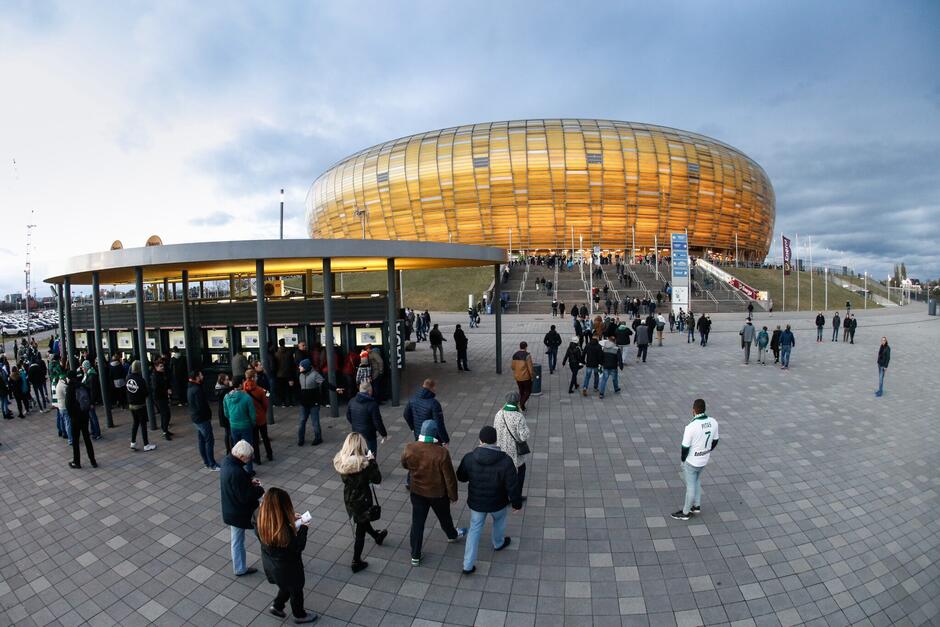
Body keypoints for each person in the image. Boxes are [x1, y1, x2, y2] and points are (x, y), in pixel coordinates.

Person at [457, 426, 521, 574]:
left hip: (477, 503)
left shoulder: (469, 458)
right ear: (495, 441)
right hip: (498, 503)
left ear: (481, 440)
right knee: (499, 521)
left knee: (474, 529)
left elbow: (461, 477)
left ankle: (467, 565)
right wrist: (516, 504)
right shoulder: (506, 461)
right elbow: (512, 485)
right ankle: (498, 543)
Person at [401, 420, 466, 566]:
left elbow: (404, 464)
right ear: (435, 434)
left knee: (417, 523)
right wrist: (453, 495)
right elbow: (449, 477)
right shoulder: (441, 452)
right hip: (438, 494)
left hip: (417, 492)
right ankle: (452, 535)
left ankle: (415, 555)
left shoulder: (410, 448)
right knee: (445, 518)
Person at [253, 488, 317, 623]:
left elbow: (273, 520)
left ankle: (277, 606)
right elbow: (298, 547)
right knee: (296, 590)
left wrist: (290, 517)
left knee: (285, 586)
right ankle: (299, 615)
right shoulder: (284, 531)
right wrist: (304, 528)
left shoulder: (258, 515)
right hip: (288, 567)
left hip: (270, 564)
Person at [334, 433, 388, 572]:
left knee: (362, 521)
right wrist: (372, 462)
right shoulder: (364, 464)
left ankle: (377, 536)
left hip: (350, 498)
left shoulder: (342, 461)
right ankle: (356, 561)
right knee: (360, 530)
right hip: (363, 500)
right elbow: (377, 479)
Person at [220, 440, 264, 577]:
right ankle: (275, 560)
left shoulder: (226, 462)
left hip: (231, 511)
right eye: (248, 457)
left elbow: (236, 485)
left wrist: (249, 482)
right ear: (241, 456)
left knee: (236, 541)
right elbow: (245, 496)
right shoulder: (236, 471)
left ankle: (239, 568)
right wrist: (259, 490)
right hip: (242, 513)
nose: (249, 459)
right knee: (263, 535)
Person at [671, 398, 719, 521]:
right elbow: (715, 441)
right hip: (704, 459)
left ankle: (686, 512)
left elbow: (685, 447)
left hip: (692, 461)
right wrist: (707, 451)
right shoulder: (713, 422)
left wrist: (683, 460)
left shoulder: (691, 427)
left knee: (690, 486)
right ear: (704, 409)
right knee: (696, 480)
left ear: (693, 410)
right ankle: (696, 505)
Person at [493, 392, 530, 504]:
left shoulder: (499, 413)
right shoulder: (518, 416)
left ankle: (504, 497)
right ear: (517, 402)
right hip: (515, 453)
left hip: (501, 451)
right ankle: (516, 497)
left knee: (504, 475)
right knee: (519, 473)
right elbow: (524, 436)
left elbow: (495, 430)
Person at [297, 358, 342, 446]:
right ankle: (301, 439)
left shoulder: (315, 375)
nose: (299, 367)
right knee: (302, 421)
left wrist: (335, 389)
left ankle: (318, 438)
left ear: (305, 367)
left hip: (314, 403)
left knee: (315, 422)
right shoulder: (300, 375)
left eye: (301, 366)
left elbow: (325, 384)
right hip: (304, 403)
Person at [224, 375, 257, 475]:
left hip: (234, 426)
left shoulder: (226, 397)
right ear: (240, 384)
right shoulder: (246, 397)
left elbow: (226, 413)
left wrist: (232, 420)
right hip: (246, 426)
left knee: (237, 449)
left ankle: (239, 469)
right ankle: (249, 470)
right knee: (247, 449)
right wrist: (252, 423)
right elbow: (252, 414)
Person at [188, 370, 219, 471]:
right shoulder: (197, 389)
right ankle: (212, 464)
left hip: (196, 418)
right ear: (197, 377)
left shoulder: (191, 388)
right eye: (201, 375)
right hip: (202, 419)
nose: (202, 376)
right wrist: (208, 415)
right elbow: (202, 406)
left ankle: (206, 461)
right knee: (209, 440)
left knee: (202, 440)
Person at [346, 381, 387, 456]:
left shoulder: (352, 401)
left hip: (356, 435)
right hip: (369, 436)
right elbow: (377, 422)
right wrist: (383, 434)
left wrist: (355, 424)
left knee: (358, 455)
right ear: (369, 391)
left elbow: (348, 416)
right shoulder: (372, 404)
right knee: (370, 457)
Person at [66, 370, 97, 469]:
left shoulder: (70, 388)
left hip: (75, 418)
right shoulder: (82, 385)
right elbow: (89, 397)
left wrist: (72, 416)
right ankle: (93, 461)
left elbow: (68, 405)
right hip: (84, 416)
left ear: (69, 378)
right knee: (87, 438)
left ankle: (77, 462)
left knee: (75, 441)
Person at [403, 379, 449, 444]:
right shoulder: (434, 403)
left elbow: (406, 414)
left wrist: (413, 428)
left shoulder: (413, 398)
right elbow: (439, 423)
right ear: (433, 388)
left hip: (418, 435)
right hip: (432, 437)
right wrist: (445, 440)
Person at [126, 360, 156, 452]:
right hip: (140, 405)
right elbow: (146, 393)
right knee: (143, 425)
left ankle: (133, 442)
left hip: (131, 405)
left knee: (135, 423)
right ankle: (146, 444)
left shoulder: (128, 377)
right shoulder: (140, 379)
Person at [245, 369, 273, 464]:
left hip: (251, 419)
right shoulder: (259, 390)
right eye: (256, 376)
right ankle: (269, 454)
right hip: (261, 417)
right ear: (253, 378)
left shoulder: (244, 389)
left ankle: (257, 459)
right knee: (265, 437)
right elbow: (266, 403)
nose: (257, 378)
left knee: (255, 439)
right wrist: (263, 411)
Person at [151, 358, 173, 440]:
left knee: (166, 414)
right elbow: (156, 388)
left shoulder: (162, 374)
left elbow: (166, 383)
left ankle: (165, 429)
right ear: (156, 367)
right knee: (165, 414)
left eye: (162, 366)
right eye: (160, 366)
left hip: (163, 397)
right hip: (159, 398)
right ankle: (165, 431)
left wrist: (168, 388)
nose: (162, 367)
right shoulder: (155, 376)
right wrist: (166, 390)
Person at [510, 342, 535, 411]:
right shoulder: (527, 355)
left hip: (517, 377)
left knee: (521, 391)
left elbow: (512, 367)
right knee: (528, 391)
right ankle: (520, 405)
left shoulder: (515, 355)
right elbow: (530, 368)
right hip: (525, 377)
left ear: (520, 347)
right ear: (526, 347)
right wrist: (532, 376)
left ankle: (522, 406)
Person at [215, 373, 234, 454]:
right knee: (229, 432)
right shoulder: (224, 390)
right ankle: (230, 449)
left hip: (223, 412)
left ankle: (228, 450)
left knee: (227, 432)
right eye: (227, 379)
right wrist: (231, 386)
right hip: (225, 413)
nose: (228, 381)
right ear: (222, 381)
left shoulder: (218, 388)